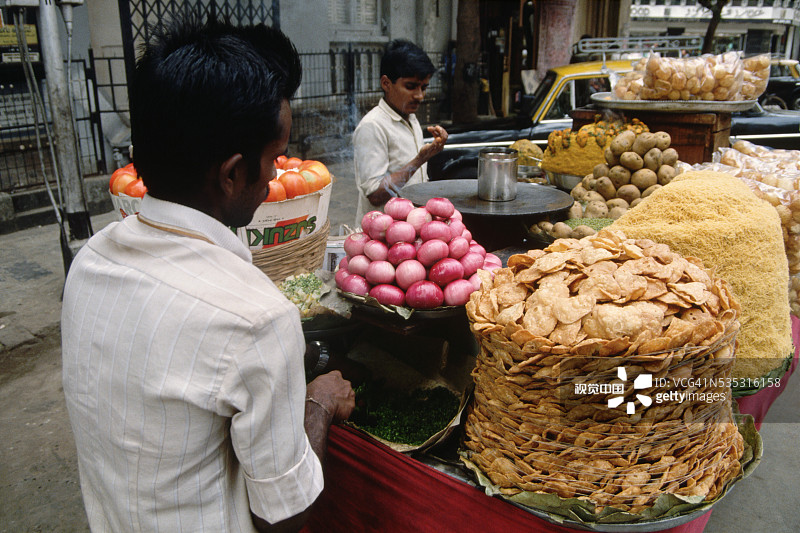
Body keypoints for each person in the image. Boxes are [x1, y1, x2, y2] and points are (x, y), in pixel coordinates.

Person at [61, 16, 354, 533]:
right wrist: (319, 402)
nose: (275, 177)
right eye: (273, 160)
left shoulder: (92, 260)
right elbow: (282, 518)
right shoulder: (257, 318)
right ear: (232, 173)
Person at [352, 39, 448, 225]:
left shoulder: (410, 117)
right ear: (386, 83)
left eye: (424, 87)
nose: (420, 96)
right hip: (379, 235)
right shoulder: (372, 126)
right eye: (411, 87)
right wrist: (420, 160)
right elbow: (375, 194)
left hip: (409, 230)